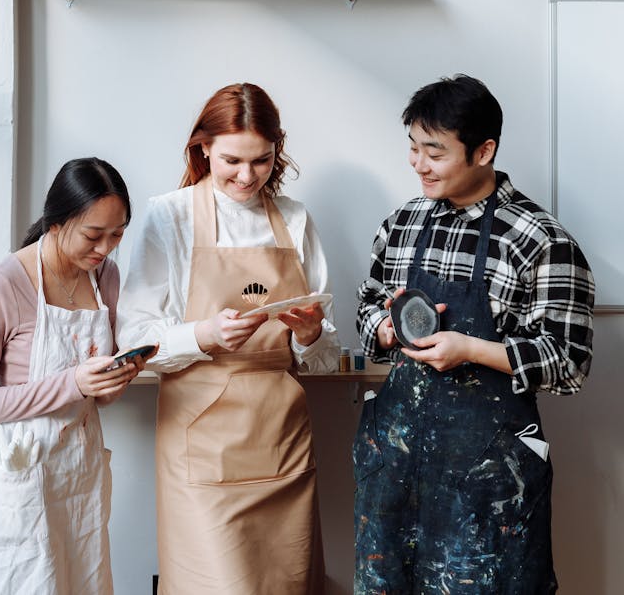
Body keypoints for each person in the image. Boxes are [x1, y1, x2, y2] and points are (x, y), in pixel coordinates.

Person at [354, 75, 595, 595]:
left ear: (483, 150)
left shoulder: (540, 240)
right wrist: (390, 330)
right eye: (413, 149)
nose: (419, 164)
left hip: (486, 480)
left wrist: (471, 349)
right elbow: (368, 304)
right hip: (394, 468)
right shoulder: (402, 224)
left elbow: (569, 362)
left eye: (434, 152)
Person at [118, 82, 339, 595]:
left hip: (282, 444)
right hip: (201, 446)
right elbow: (135, 337)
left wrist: (308, 336)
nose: (246, 176)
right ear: (203, 148)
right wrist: (204, 334)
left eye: (261, 161)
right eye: (232, 160)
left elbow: (324, 356)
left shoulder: (296, 219)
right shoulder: (170, 216)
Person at [0, 157, 151, 594]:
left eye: (117, 234)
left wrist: (114, 380)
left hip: (79, 483)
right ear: (57, 222)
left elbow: (95, 397)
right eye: (93, 235)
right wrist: (73, 383)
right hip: (18, 488)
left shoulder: (106, 277)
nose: (105, 249)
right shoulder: (3, 285)